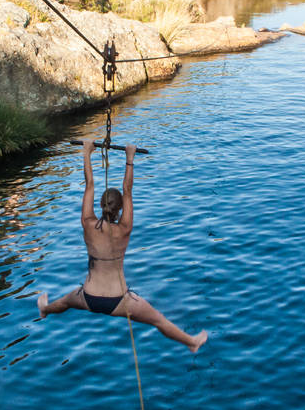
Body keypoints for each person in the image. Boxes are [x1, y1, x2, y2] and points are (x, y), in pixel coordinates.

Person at [37, 139, 208, 353]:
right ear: (119, 209)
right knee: (158, 321)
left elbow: (89, 184)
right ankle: (192, 343)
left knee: (64, 302)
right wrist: (129, 158)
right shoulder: (124, 228)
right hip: (118, 300)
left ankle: (44, 309)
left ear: (101, 205)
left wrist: (86, 153)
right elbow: (127, 191)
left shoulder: (87, 223)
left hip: (87, 296)